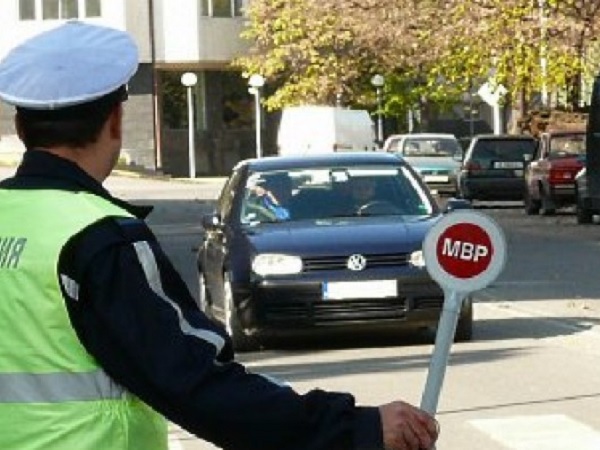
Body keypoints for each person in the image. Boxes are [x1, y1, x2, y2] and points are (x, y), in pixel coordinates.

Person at [0, 22, 439, 450]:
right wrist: (358, 428)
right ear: (115, 121)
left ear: (21, 129)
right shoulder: (97, 237)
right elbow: (196, 383)